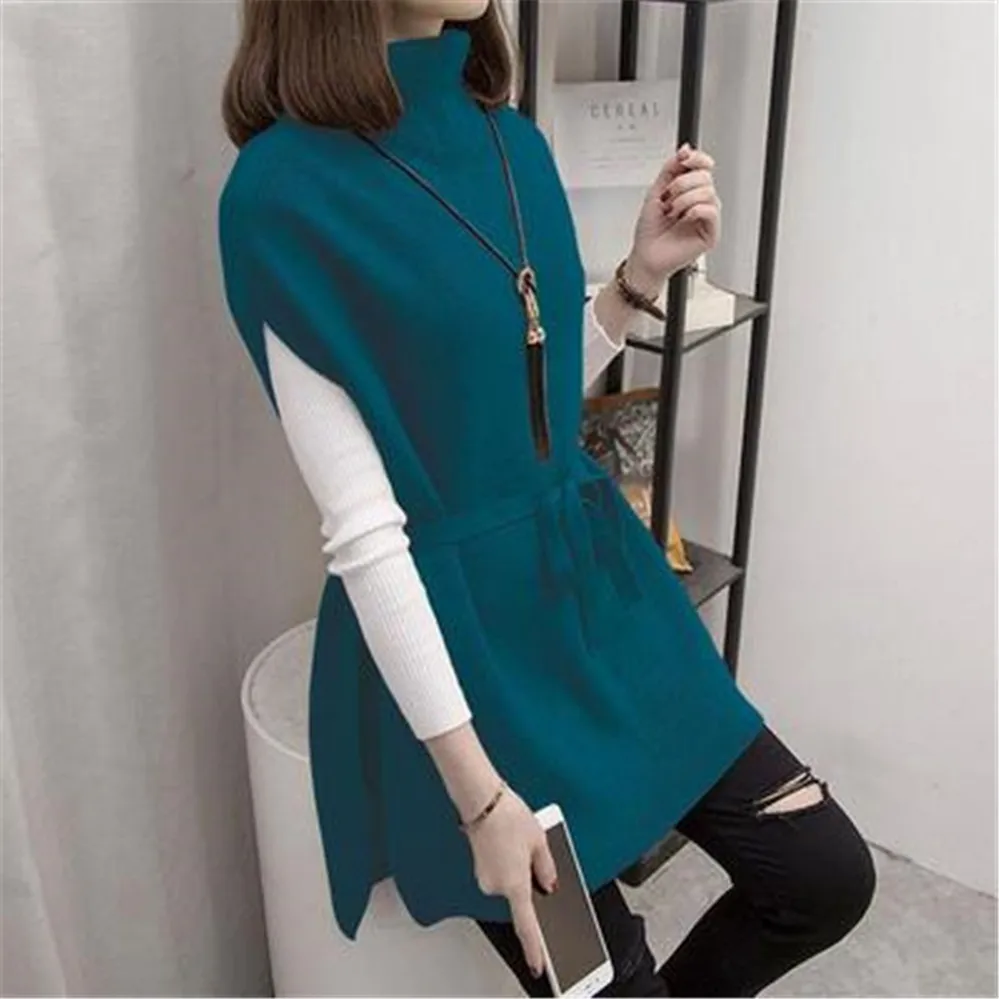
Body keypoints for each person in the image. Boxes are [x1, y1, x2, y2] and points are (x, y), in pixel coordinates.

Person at [216, 2, 876, 995]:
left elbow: (520, 410)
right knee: (607, 978)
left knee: (823, 877)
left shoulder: (511, 141)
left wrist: (637, 279)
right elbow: (364, 532)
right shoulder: (280, 197)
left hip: (597, 600)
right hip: (465, 653)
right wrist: (480, 802)